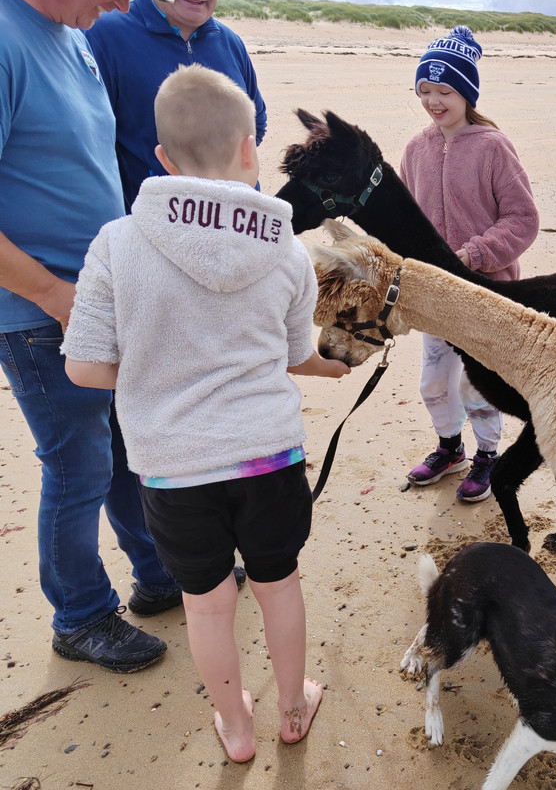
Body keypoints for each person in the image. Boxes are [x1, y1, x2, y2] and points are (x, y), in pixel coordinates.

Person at [61, 64, 348, 762]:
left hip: (172, 468)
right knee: (279, 586)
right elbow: (287, 355)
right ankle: (290, 708)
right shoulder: (286, 251)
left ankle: (238, 731)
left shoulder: (117, 243)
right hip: (268, 457)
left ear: (162, 160)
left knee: (208, 603)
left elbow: (84, 367)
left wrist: (162, 369)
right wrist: (332, 366)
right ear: (250, 149)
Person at [0, 0, 189, 674]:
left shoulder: (73, 37)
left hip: (95, 297)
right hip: (40, 312)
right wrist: (55, 294)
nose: (119, 4)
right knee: (77, 467)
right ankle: (79, 617)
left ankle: (160, 573)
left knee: (120, 444)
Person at [400, 25, 539, 502]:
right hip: (435, 296)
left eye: (445, 91)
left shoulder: (493, 147)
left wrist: (474, 254)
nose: (434, 101)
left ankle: (487, 455)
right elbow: (406, 222)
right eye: (425, 90)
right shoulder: (415, 150)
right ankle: (449, 448)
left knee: (479, 386)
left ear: (467, 92)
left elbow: (522, 219)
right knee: (434, 382)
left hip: (486, 294)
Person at [86, 0, 267, 212]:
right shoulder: (102, 35)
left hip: (240, 226)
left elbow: (256, 124)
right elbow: (90, 146)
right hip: (153, 230)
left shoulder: (230, 43)